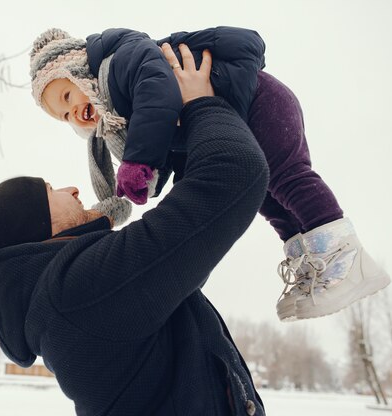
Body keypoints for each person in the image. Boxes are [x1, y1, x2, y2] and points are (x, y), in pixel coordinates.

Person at [0, 46, 268, 415]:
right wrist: (201, 103)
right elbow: (233, 174)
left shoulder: (64, 298)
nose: (72, 189)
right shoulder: (80, 291)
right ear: (39, 226)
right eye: (53, 191)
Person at [29, 27, 390, 321]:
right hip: (233, 121)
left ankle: (346, 256)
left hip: (258, 102)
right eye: (62, 117)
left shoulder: (120, 64)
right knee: (270, 200)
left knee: (289, 177)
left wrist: (140, 161)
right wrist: (149, 175)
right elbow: (165, 134)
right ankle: (314, 266)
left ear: (76, 71)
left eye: (65, 98)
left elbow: (157, 92)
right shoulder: (120, 112)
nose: (71, 114)